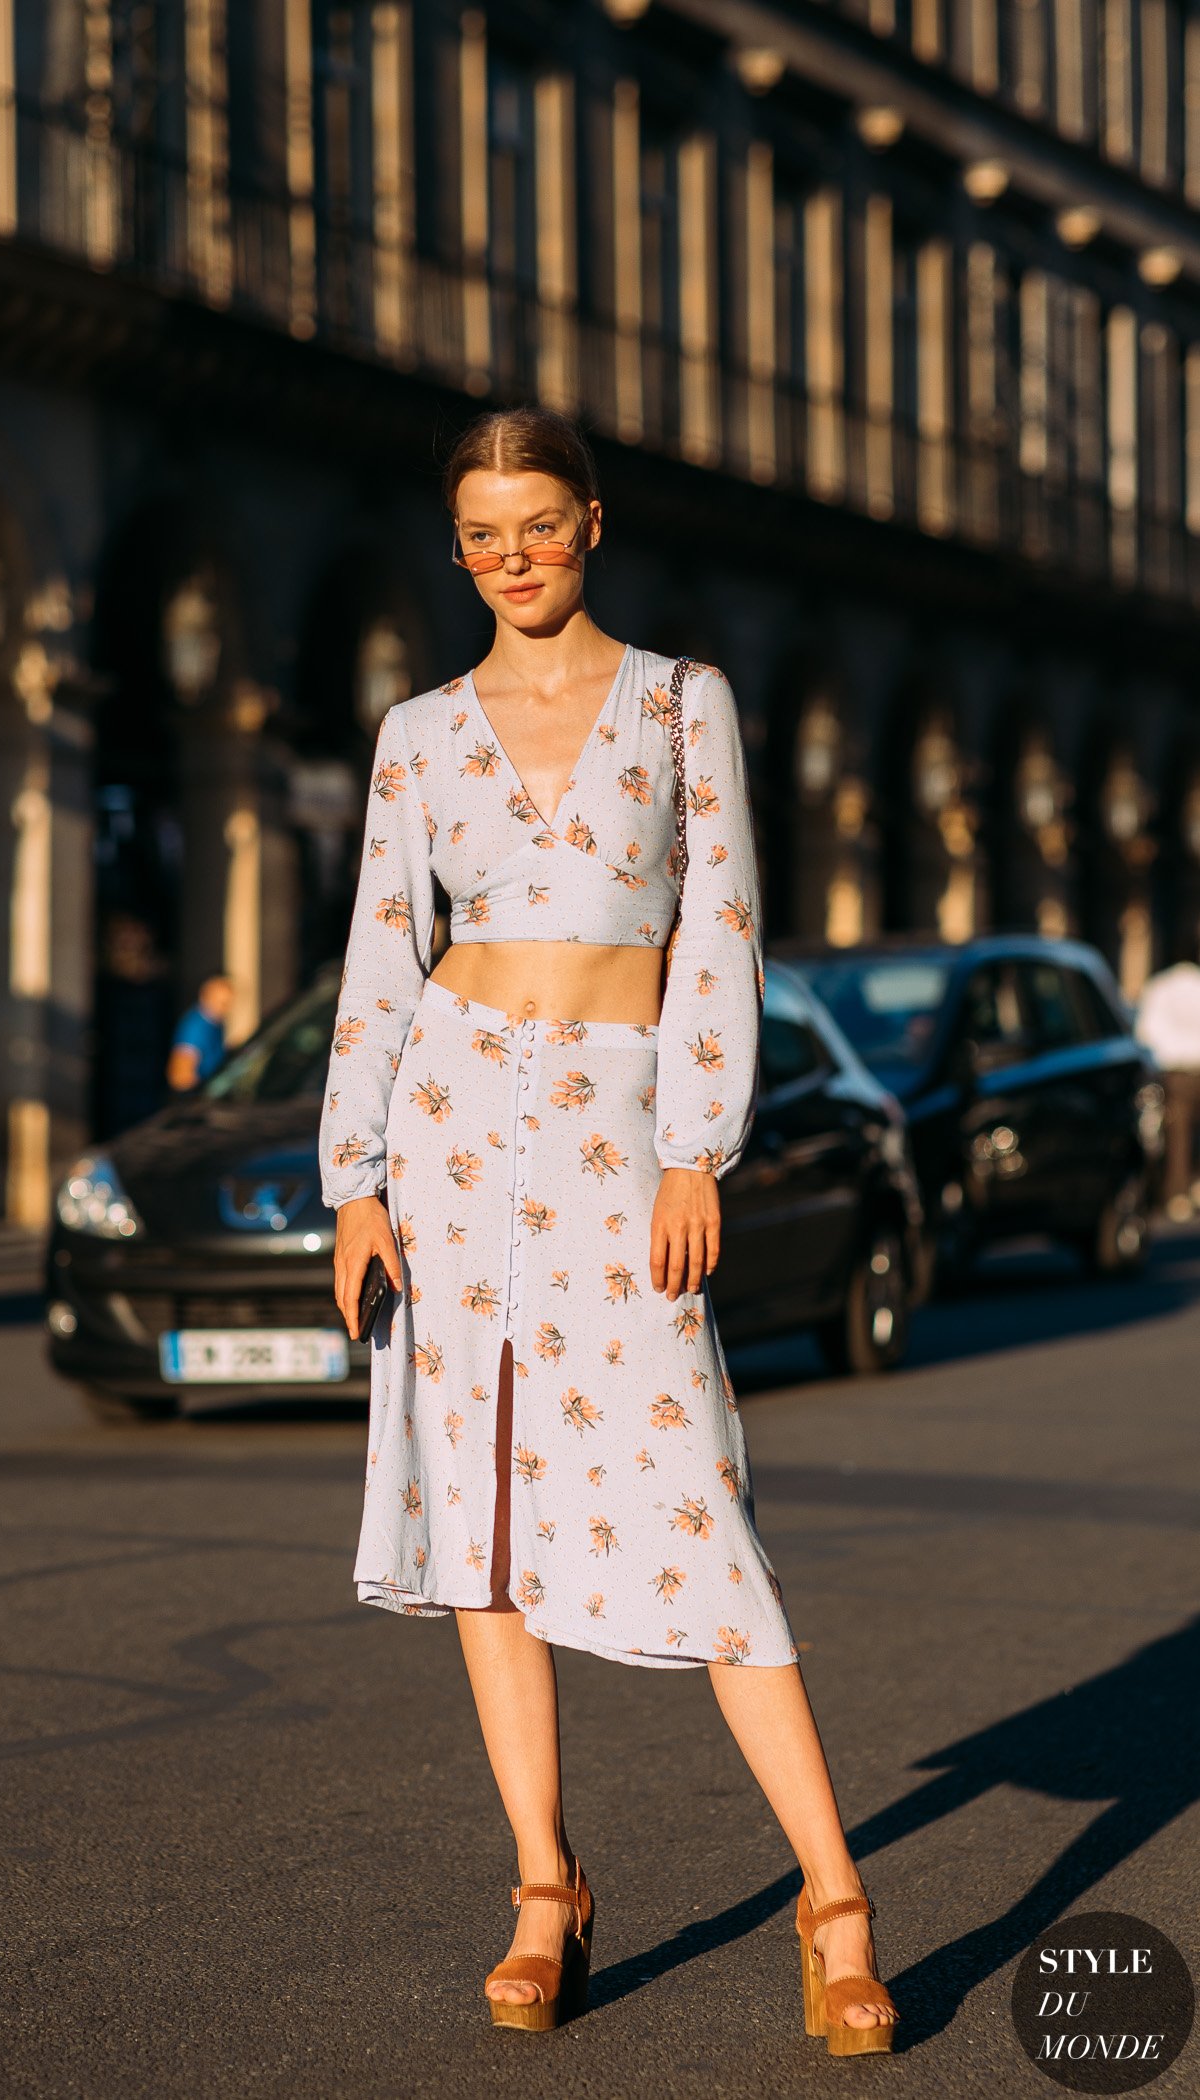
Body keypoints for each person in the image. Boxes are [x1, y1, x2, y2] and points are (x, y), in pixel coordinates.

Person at [316, 406, 898, 2053]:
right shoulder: (420, 734)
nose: (513, 558)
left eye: (540, 525)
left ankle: (835, 1898)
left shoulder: (679, 702)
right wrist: (356, 1175)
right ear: (461, 550)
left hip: (615, 1135)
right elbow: (378, 948)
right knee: (484, 1522)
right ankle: (543, 1889)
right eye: (483, 535)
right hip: (447, 1128)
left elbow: (722, 929)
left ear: (593, 522)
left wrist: (695, 1148)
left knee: (696, 1501)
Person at [1134, 959, 1200, 1219]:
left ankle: (1177, 1194)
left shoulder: (1159, 987)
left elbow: (1146, 1033)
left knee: (1178, 1134)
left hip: (1175, 1072)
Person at [166, 974, 234, 1092]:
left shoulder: (215, 1023)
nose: (225, 1009)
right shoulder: (195, 1027)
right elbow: (180, 1077)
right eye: (221, 1002)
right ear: (204, 997)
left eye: (228, 1003)